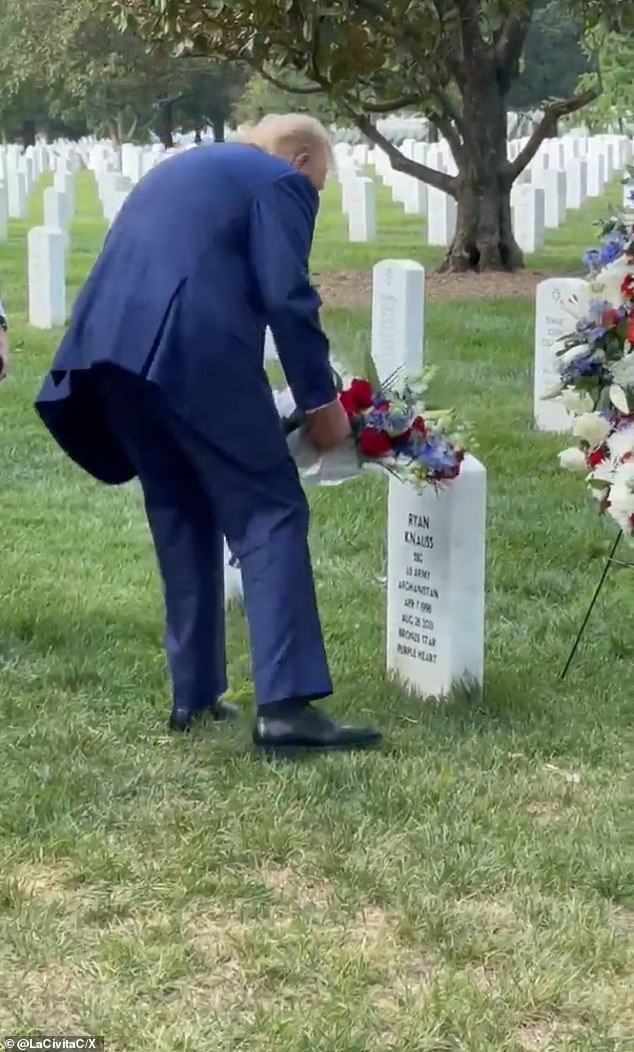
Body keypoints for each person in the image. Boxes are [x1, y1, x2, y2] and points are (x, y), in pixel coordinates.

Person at [35, 114, 382, 754]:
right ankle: (285, 708)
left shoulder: (190, 169)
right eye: (322, 182)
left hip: (109, 355)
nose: (317, 194)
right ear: (302, 159)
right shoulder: (279, 180)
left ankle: (192, 693)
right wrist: (320, 402)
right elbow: (286, 294)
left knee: (181, 507)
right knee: (270, 510)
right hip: (193, 353)